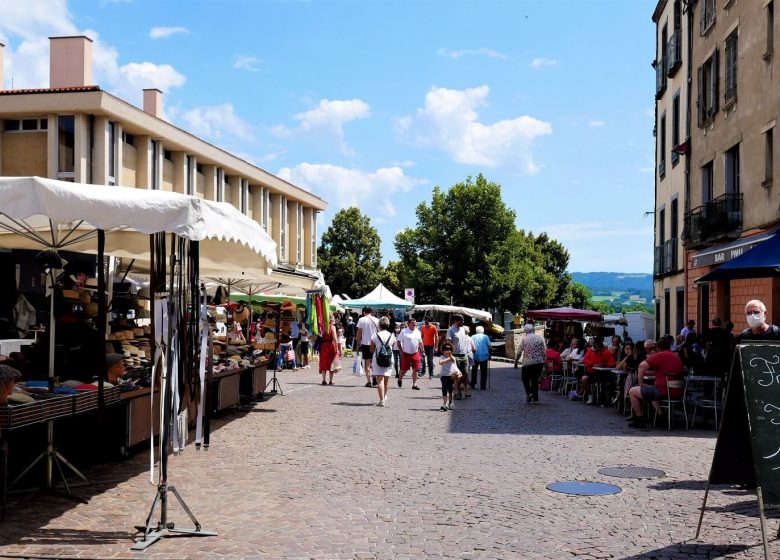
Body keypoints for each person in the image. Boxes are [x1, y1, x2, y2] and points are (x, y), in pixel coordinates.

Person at [627, 337, 684, 429]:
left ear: (658, 348)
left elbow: (641, 366)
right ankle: (660, 415)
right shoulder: (676, 355)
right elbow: (663, 371)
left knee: (632, 391)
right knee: (651, 388)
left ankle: (639, 420)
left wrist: (641, 383)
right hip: (679, 391)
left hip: (663, 391)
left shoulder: (661, 355)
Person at [580, 337, 617, 405]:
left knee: (606, 381)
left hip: (602, 373)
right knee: (584, 379)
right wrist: (593, 364)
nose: (596, 348)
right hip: (591, 372)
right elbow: (585, 360)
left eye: (597, 346)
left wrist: (604, 364)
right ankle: (590, 396)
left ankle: (606, 399)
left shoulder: (606, 352)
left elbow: (613, 363)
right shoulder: (591, 351)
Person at [369, 316, 396, 407]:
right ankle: (384, 397)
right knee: (386, 380)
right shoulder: (391, 335)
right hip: (389, 358)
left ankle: (381, 400)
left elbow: (371, 349)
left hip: (378, 358)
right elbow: (393, 345)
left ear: (379, 325)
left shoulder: (375, 335)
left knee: (380, 379)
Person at [447, 314, 473, 399]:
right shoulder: (450, 330)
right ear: (456, 321)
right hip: (455, 355)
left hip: (464, 355)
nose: (462, 322)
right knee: (456, 375)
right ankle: (457, 392)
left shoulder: (463, 330)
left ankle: (461, 390)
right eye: (460, 321)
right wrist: (450, 355)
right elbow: (449, 343)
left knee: (465, 375)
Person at [520, 323, 546, 404]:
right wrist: (544, 360)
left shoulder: (525, 339)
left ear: (525, 331)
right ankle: (535, 399)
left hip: (527, 362)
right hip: (539, 362)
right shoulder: (540, 338)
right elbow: (543, 351)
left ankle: (529, 393)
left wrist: (516, 361)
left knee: (525, 379)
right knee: (534, 380)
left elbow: (519, 351)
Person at [397, 317, 424, 390]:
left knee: (416, 369)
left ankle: (414, 385)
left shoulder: (418, 332)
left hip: (415, 353)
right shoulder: (404, 331)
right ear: (408, 324)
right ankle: (400, 378)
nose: (414, 324)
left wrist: (423, 351)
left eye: (415, 323)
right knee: (404, 370)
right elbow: (398, 341)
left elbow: (421, 343)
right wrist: (401, 350)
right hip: (406, 353)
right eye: (412, 323)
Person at [355, 307, 379, 388]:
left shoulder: (362, 320)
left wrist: (358, 344)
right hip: (375, 343)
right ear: (371, 311)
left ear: (364, 312)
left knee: (367, 364)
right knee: (375, 362)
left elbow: (359, 333)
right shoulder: (376, 320)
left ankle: (369, 381)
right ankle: (375, 377)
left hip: (366, 343)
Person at [437, 342, 458, 411]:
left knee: (451, 390)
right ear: (443, 351)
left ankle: (450, 403)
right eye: (445, 350)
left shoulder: (453, 358)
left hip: (451, 376)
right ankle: (444, 403)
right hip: (444, 376)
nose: (447, 351)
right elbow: (440, 362)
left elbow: (452, 360)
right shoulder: (442, 357)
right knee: (444, 389)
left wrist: (450, 356)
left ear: (451, 351)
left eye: (449, 349)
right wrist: (447, 359)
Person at [318, 321, 340, 386]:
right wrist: (337, 348)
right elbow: (335, 338)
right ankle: (331, 380)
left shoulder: (321, 327)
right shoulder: (332, 327)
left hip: (323, 346)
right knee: (331, 362)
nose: (334, 321)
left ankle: (324, 380)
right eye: (333, 320)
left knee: (323, 362)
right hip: (330, 346)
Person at [470, 325, 491, 390]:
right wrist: (490, 354)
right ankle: (483, 386)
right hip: (484, 355)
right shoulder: (486, 336)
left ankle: (473, 384)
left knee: (474, 371)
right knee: (484, 371)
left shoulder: (472, 336)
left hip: (475, 356)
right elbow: (489, 346)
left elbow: (470, 346)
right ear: (483, 331)